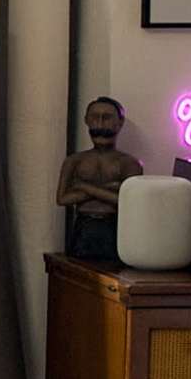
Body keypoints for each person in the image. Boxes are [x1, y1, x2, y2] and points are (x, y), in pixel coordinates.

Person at [57, 96, 139, 262]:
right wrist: (110, 187)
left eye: (107, 118)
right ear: (86, 120)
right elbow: (62, 198)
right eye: (95, 118)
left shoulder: (129, 163)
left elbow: (128, 202)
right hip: (83, 227)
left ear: (120, 122)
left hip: (113, 228)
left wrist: (84, 187)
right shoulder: (74, 161)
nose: (100, 124)